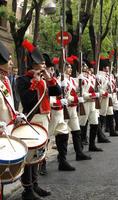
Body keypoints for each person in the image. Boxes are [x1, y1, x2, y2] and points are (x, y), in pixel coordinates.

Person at [17, 39, 60, 200]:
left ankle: (35, 185)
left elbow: (57, 91)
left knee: (39, 155)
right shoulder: (23, 80)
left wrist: (49, 78)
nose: (43, 66)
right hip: (32, 120)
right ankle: (27, 189)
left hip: (45, 120)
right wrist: (34, 82)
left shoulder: (44, 79)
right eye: (40, 63)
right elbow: (27, 100)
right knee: (29, 156)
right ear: (32, 64)